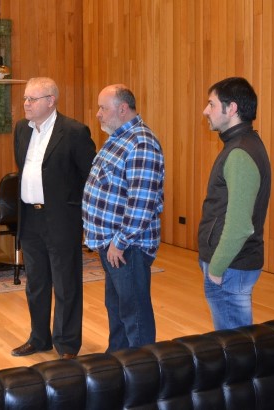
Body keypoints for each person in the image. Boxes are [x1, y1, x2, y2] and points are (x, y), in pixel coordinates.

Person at [11, 77, 96, 360]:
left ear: (51, 101)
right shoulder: (22, 129)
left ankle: (67, 344)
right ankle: (39, 338)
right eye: (25, 99)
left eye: (32, 99)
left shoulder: (73, 131)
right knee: (36, 283)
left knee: (65, 283)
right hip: (29, 217)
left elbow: (90, 178)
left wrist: (80, 214)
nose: (26, 104)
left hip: (61, 219)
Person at [82, 84, 165, 352]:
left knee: (134, 313)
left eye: (102, 108)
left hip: (127, 247)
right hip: (112, 244)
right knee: (116, 307)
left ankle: (142, 372)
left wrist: (120, 241)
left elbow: (142, 203)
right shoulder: (119, 138)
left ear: (122, 109)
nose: (98, 114)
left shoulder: (141, 143)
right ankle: (116, 362)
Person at [198, 77, 271, 330]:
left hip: (230, 266)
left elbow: (239, 224)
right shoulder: (241, 145)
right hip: (232, 265)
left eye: (212, 104)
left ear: (232, 109)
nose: (205, 111)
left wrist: (216, 268)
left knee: (234, 348)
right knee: (235, 346)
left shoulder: (240, 152)